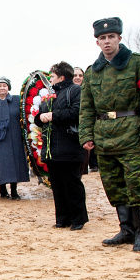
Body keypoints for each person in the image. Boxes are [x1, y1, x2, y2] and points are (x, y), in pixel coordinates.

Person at [78, 17, 140, 253]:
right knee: (113, 185)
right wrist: (86, 135)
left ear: (119, 38)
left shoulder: (139, 63)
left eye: (111, 37)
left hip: (132, 134)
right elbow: (87, 107)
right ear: (97, 42)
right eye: (102, 38)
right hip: (104, 136)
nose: (107, 42)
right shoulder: (93, 72)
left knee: (134, 184)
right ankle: (126, 230)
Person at [35, 62, 89, 230]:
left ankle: (78, 219)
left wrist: (53, 115)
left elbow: (76, 112)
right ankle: (62, 218)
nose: (50, 79)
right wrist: (41, 117)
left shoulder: (75, 91)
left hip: (70, 146)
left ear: (61, 77)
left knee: (72, 183)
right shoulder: (51, 94)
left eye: (52, 76)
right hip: (52, 148)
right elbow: (39, 116)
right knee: (57, 184)